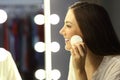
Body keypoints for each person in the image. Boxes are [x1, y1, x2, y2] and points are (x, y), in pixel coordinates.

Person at [59, 1, 120, 80]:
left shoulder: (116, 67)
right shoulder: (76, 59)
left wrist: (79, 71)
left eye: (68, 25)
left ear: (87, 31)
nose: (61, 31)